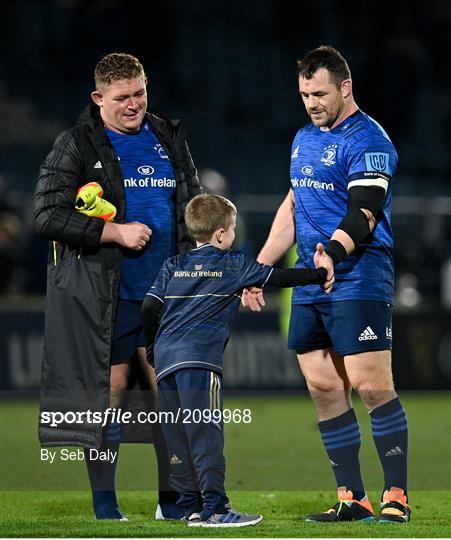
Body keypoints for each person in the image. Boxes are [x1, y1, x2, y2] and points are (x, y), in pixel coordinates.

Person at [243, 45, 410, 524]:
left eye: (319, 93)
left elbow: (364, 212)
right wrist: (261, 267)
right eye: (304, 94)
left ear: (345, 87)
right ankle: (351, 497)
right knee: (323, 387)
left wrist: (333, 253)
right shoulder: (302, 138)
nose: (312, 102)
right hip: (310, 280)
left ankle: (395, 493)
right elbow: (293, 209)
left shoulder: (370, 140)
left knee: (371, 385)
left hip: (358, 276)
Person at [33, 52, 203, 520]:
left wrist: (199, 271)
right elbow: (47, 214)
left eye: (140, 94)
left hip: (167, 296)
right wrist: (114, 231)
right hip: (108, 298)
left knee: (170, 400)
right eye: (122, 97)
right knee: (107, 399)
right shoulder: (77, 145)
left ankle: (172, 503)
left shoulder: (168, 138)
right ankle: (106, 506)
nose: (134, 105)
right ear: (98, 97)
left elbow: (192, 208)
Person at [142, 194, 327, 527]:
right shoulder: (232, 264)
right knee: (205, 433)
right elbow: (277, 277)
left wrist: (152, 349)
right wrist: (317, 275)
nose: (234, 234)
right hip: (199, 361)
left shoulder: (172, 266)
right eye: (232, 228)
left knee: (177, 437)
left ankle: (191, 508)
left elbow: (149, 308)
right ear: (220, 235)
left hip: (167, 362)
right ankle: (215, 508)